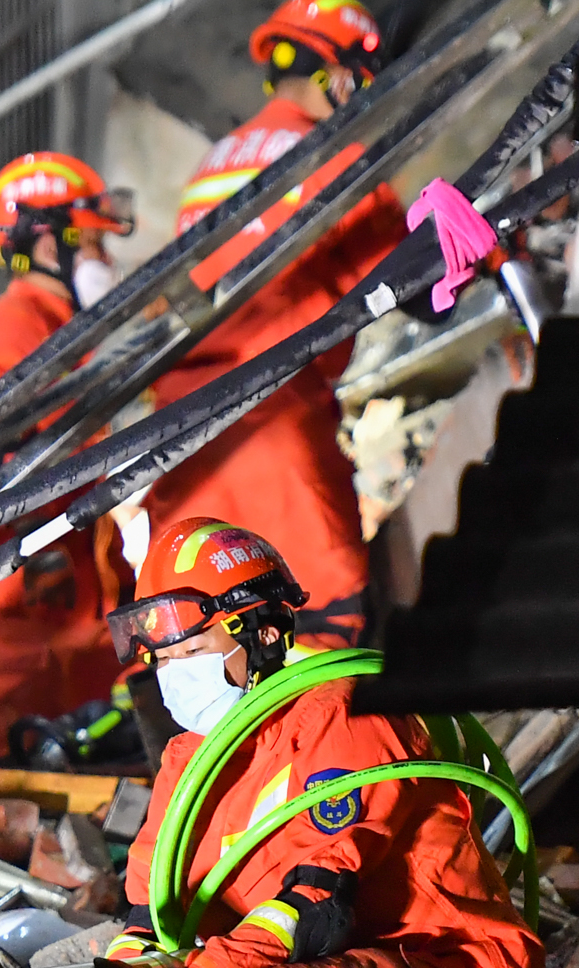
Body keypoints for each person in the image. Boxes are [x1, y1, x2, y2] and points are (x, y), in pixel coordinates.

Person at [90, 518, 540, 968]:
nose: (174, 675)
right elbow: (150, 911)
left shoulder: (351, 716)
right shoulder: (191, 760)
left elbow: (316, 905)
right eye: (162, 659)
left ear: (264, 634)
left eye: (194, 650)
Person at [141, 0, 408, 657]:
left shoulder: (213, 166)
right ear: (340, 79)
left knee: (196, 648)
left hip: (184, 439)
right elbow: (415, 281)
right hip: (276, 433)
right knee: (322, 642)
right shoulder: (340, 164)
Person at [0, 150, 138, 763]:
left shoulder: (61, 336)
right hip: (25, 600)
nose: (107, 262)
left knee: (94, 757)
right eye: (96, 246)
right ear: (52, 247)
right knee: (25, 761)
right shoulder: (3, 329)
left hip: (72, 600)